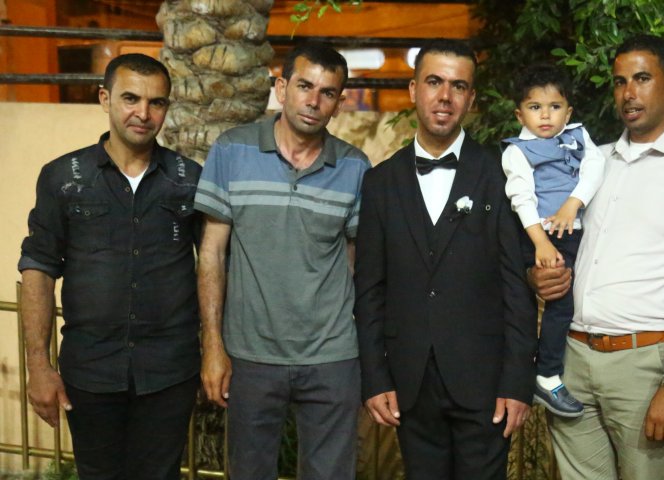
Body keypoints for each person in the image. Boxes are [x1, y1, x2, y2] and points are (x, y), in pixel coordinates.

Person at [528, 35, 664, 479]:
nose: (628, 93)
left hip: (646, 364)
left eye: (642, 79)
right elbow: (563, 248)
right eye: (620, 81)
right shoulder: (593, 162)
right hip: (572, 358)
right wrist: (539, 276)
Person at [354, 39, 538, 480]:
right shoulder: (380, 182)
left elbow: (517, 287)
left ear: (471, 99)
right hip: (410, 381)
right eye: (434, 82)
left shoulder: (501, 175)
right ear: (413, 89)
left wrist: (517, 382)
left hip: (486, 383)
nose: (445, 96)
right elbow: (369, 288)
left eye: (458, 86)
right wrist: (375, 378)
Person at [19, 53, 202, 479]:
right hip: (91, 370)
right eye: (130, 98)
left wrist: (214, 352)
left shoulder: (189, 179)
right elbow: (38, 269)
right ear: (105, 98)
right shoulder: (63, 177)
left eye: (156, 102)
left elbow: (213, 266)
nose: (143, 113)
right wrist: (39, 367)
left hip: (170, 371)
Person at [193, 42, 369, 480]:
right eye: (305, 86)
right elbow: (211, 252)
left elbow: (356, 263)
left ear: (339, 103)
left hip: (332, 356)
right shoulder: (232, 151)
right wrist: (213, 345)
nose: (314, 101)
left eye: (328, 93)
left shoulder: (355, 167)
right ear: (281, 87)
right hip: (250, 354)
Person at [501, 64, 604, 417]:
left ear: (568, 112)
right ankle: (545, 375)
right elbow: (521, 198)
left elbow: (595, 168)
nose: (545, 115)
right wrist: (541, 244)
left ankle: (550, 369)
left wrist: (573, 203)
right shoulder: (517, 151)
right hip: (541, 234)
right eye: (535, 107)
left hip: (572, 231)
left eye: (554, 107)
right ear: (520, 114)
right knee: (557, 304)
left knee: (571, 300)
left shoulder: (579, 136)